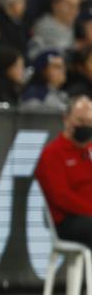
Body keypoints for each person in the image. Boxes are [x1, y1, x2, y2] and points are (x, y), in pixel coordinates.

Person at [35, 96, 92, 249]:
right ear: (66, 119)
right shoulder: (52, 153)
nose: (85, 126)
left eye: (89, 122)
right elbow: (61, 197)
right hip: (67, 221)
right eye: (80, 121)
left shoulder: (90, 150)